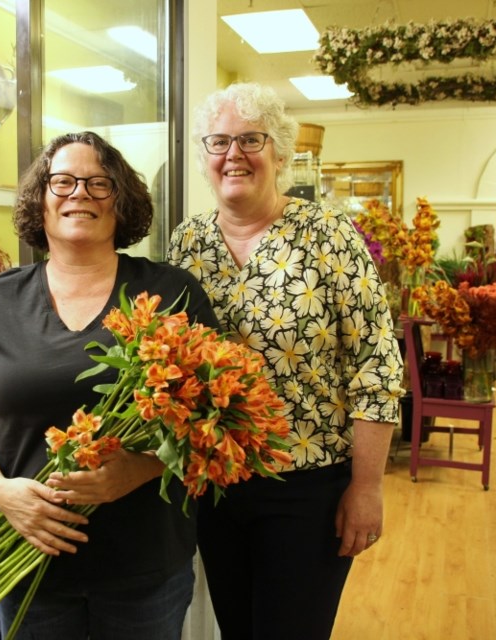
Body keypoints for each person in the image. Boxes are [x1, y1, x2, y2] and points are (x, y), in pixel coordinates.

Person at [0, 131, 219, 640]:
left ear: (122, 200)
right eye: (63, 181)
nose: (80, 194)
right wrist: (2, 493)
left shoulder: (172, 293)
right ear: (40, 199)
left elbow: (208, 422)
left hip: (144, 564)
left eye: (99, 183)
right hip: (27, 558)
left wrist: (136, 470)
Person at [168, 83, 404, 639]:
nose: (234, 154)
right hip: (216, 486)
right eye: (219, 141)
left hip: (309, 485)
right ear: (204, 157)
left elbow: (377, 365)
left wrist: (367, 487)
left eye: (251, 139)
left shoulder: (328, 235)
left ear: (280, 153)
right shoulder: (187, 243)